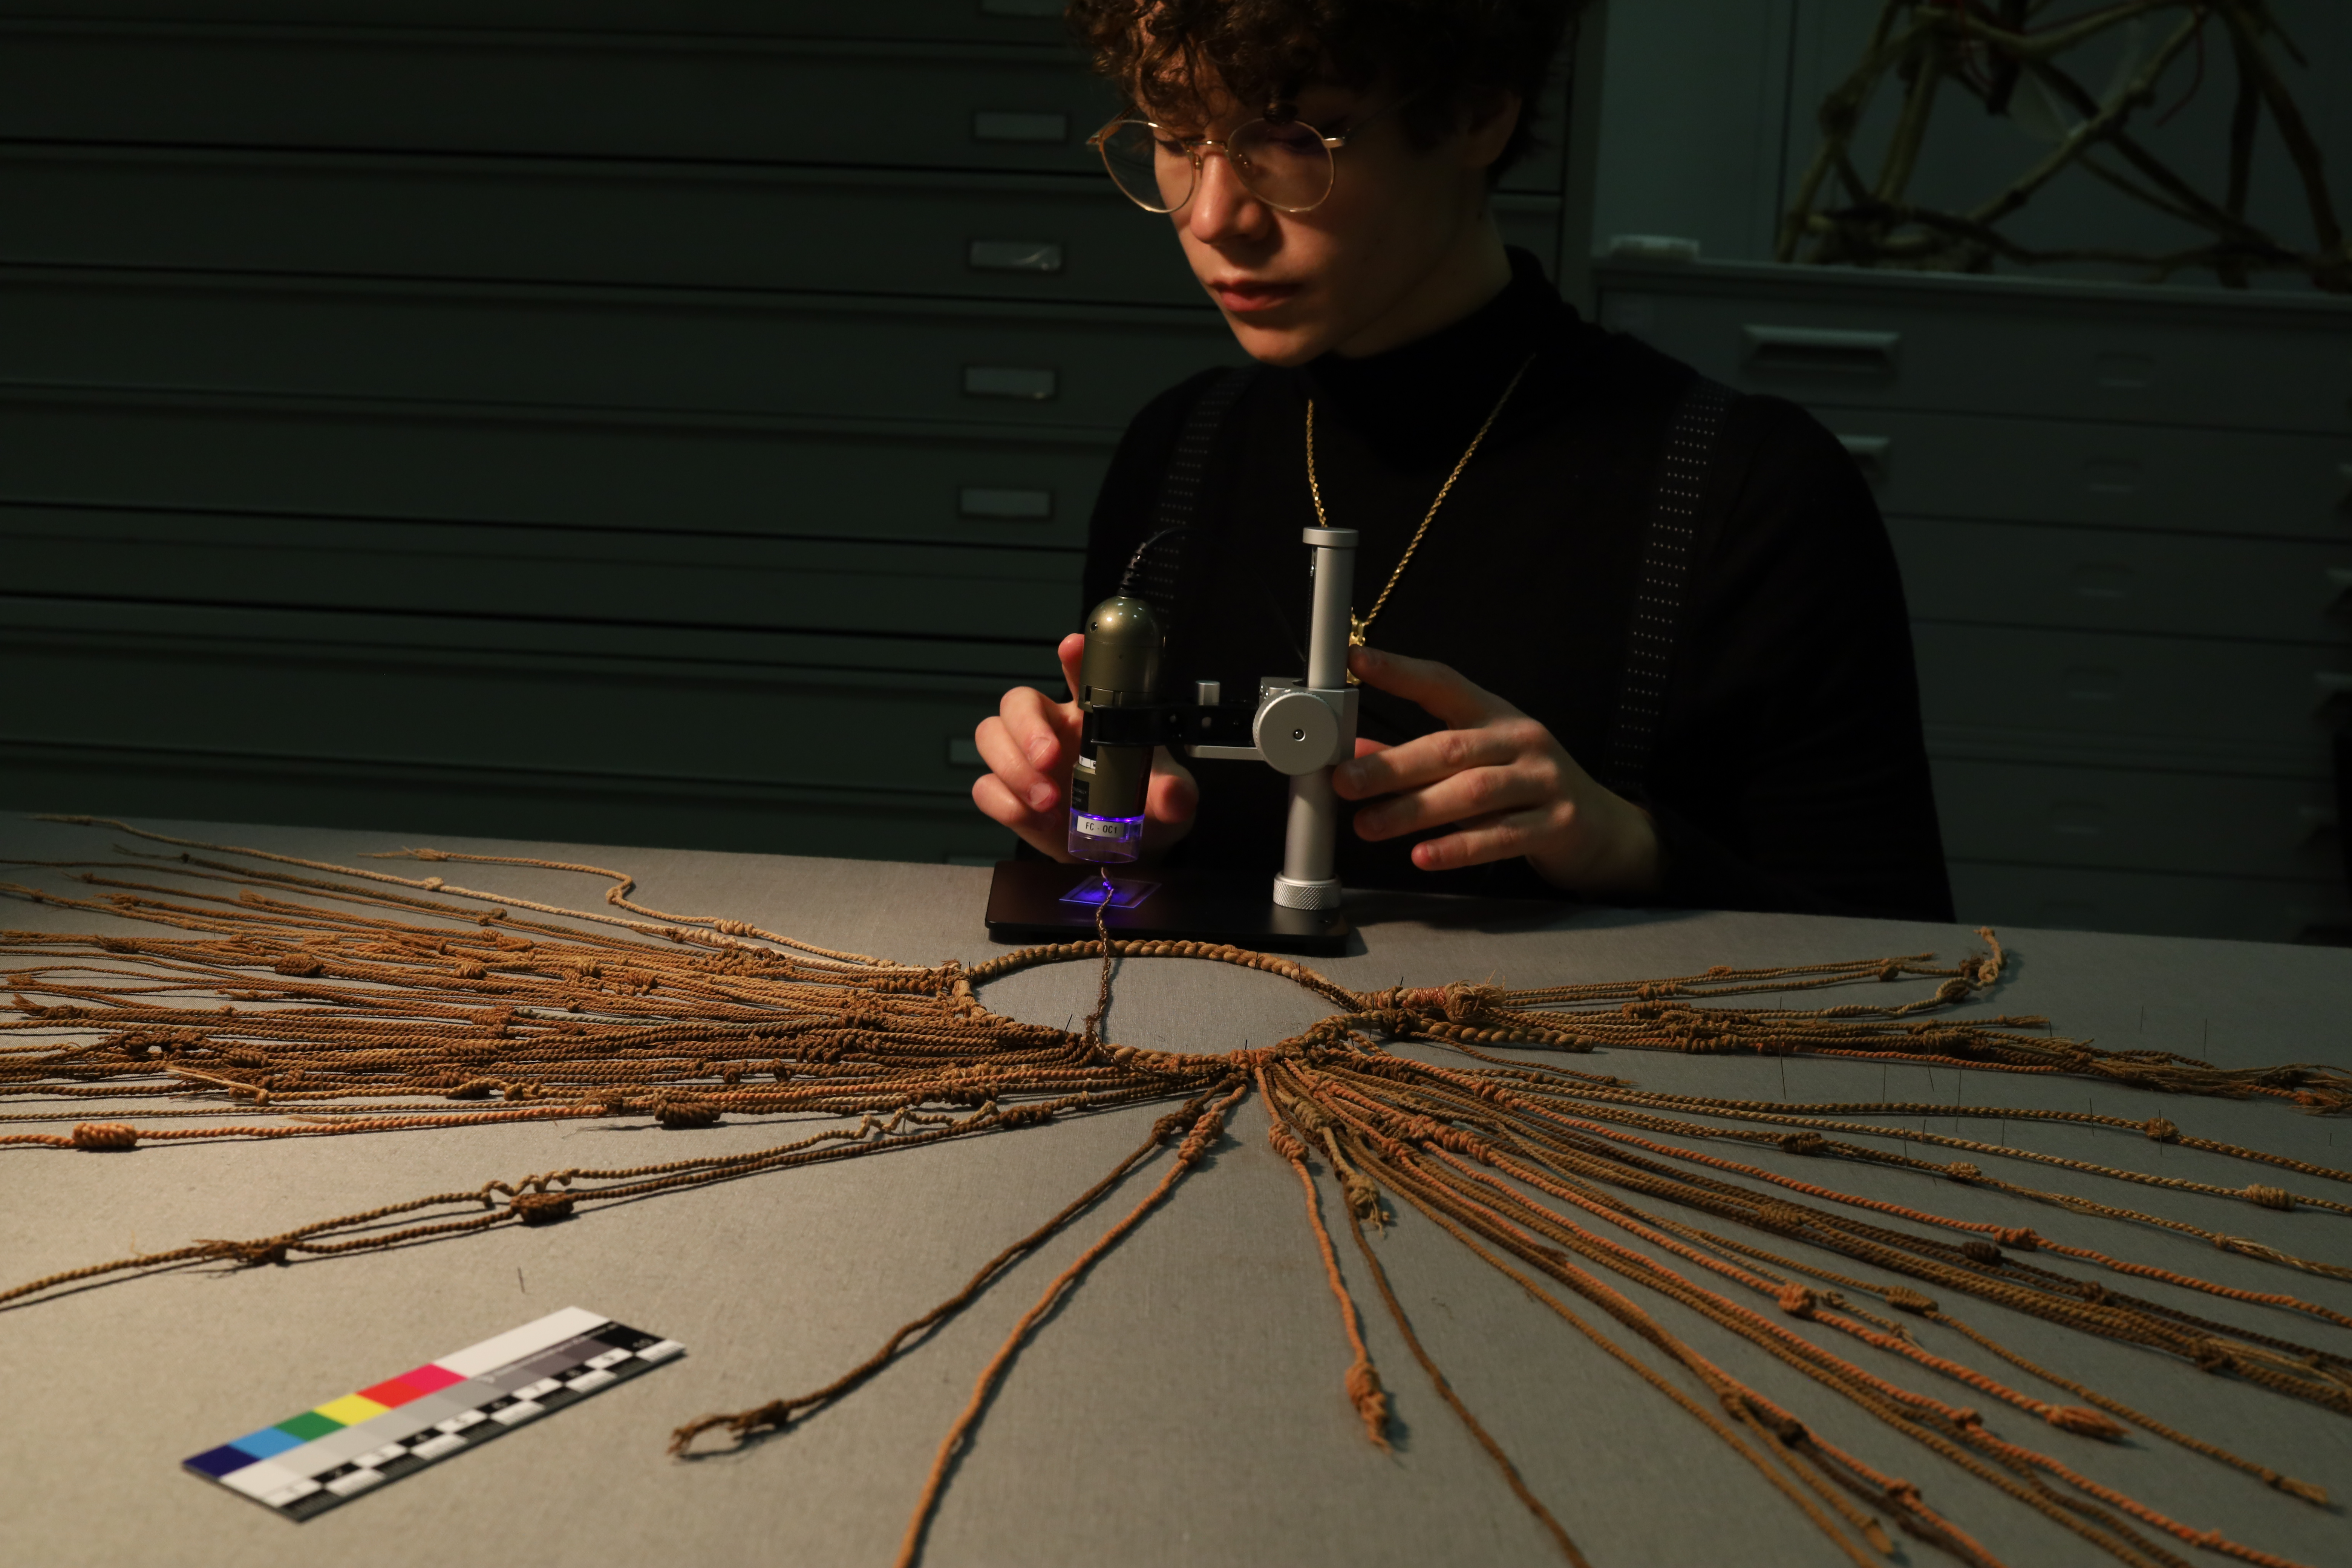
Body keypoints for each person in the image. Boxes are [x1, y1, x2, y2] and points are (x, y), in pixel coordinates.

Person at [971, 0, 1953, 923]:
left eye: (1290, 138)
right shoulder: (1180, 450)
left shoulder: (1750, 490)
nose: (1214, 215)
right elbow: (1145, 909)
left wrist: (1631, 851)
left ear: (1477, 116)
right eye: (1179, 140)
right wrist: (1111, 851)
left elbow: (1901, 965)